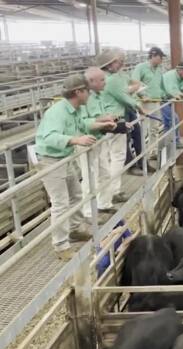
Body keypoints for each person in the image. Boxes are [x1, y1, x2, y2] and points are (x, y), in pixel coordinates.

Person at [36, 75, 116, 260]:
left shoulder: (76, 109)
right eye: (87, 90)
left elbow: (84, 124)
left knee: (76, 195)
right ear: (78, 92)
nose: (89, 94)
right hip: (50, 160)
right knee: (60, 203)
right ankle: (61, 245)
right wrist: (76, 140)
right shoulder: (57, 112)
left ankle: (75, 229)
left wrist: (102, 124)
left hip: (64, 157)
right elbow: (49, 137)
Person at [98, 49, 145, 201]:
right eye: (117, 61)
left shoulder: (103, 79)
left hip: (104, 120)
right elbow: (123, 97)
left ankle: (106, 193)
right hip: (115, 120)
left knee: (107, 158)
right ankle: (113, 191)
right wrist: (138, 106)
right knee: (117, 156)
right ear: (110, 65)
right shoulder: (112, 79)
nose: (120, 64)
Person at [79, 67, 118, 218]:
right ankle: (88, 212)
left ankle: (104, 203)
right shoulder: (86, 99)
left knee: (104, 173)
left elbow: (98, 116)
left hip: (99, 139)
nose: (104, 82)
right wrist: (105, 119)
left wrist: (107, 117)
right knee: (90, 177)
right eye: (101, 80)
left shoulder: (98, 95)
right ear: (91, 82)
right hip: (87, 142)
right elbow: (85, 122)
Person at [131, 47, 165, 153]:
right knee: (143, 129)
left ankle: (152, 151)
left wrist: (164, 96)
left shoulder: (159, 69)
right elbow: (134, 82)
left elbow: (160, 85)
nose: (161, 60)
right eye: (160, 57)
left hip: (156, 102)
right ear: (153, 56)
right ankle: (142, 153)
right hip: (144, 104)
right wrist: (142, 95)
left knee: (154, 129)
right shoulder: (140, 67)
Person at [161, 63, 183, 143]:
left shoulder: (181, 77)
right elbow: (172, 91)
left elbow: (182, 88)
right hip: (162, 99)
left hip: (168, 100)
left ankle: (166, 142)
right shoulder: (171, 76)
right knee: (175, 118)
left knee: (167, 122)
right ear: (180, 70)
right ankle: (176, 142)